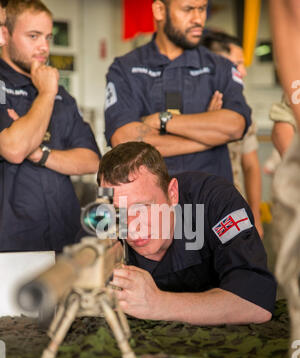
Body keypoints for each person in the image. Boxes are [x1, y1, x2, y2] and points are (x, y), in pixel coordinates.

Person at [98, 141, 276, 325]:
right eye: (119, 212)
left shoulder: (215, 201)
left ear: (172, 193)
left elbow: (255, 303)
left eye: (142, 208)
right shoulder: (104, 220)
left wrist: (157, 303)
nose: (132, 228)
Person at [104, 0, 252, 181]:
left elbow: (234, 127)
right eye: (188, 9)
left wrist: (162, 120)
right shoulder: (125, 68)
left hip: (210, 199)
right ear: (159, 10)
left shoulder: (220, 67)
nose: (198, 19)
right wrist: (208, 139)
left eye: (202, 9)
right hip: (150, 202)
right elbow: (124, 140)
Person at [0, 0, 101, 252]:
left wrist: (39, 153)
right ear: (4, 34)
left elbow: (91, 160)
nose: (43, 47)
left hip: (65, 236)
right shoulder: (48, 89)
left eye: (47, 37)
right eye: (33, 36)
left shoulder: (62, 95)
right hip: (11, 244)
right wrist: (45, 94)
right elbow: (13, 148)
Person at [201, 31, 263, 238]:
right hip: (196, 212)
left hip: (235, 211)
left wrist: (256, 215)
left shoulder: (242, 111)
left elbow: (251, 165)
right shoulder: (187, 109)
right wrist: (207, 123)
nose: (243, 72)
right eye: (236, 65)